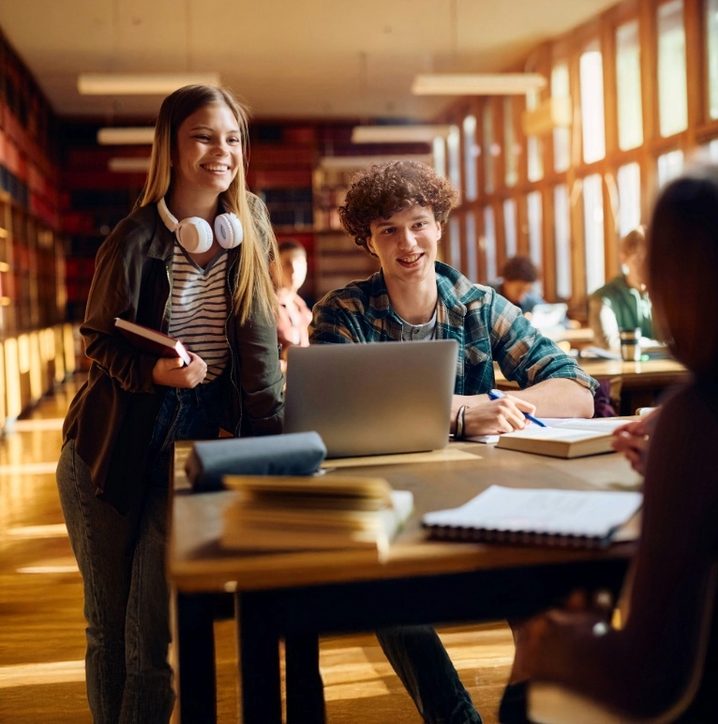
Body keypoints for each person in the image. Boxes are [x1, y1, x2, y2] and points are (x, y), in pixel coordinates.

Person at [310, 159, 597, 724]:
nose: (406, 242)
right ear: (369, 240)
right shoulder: (342, 313)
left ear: (439, 224)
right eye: (387, 230)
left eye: (418, 223)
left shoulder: (479, 304)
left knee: (539, 576)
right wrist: (465, 411)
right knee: (386, 596)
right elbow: (337, 413)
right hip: (387, 498)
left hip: (481, 494)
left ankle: (534, 707)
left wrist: (507, 408)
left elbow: (579, 390)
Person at [56, 84, 285, 724]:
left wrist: (273, 440)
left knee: (153, 634)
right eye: (204, 136)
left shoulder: (251, 227)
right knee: (110, 627)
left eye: (233, 137)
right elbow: (97, 341)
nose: (222, 151)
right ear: (172, 146)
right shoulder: (133, 239)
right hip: (111, 447)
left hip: (193, 447)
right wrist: (156, 371)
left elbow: (261, 346)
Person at [499, 159, 718, 723]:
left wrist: (550, 640)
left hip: (704, 705)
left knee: (522, 699)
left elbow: (646, 677)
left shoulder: (700, 420)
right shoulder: (712, 419)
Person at [588, 226, 656, 351]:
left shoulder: (667, 296)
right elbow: (608, 343)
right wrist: (661, 347)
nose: (646, 267)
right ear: (624, 259)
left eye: (652, 259)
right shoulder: (603, 297)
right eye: (639, 259)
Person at [273, 239, 313, 368]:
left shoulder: (305, 312)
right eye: (287, 264)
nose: (294, 270)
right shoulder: (266, 307)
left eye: (299, 263)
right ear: (273, 267)